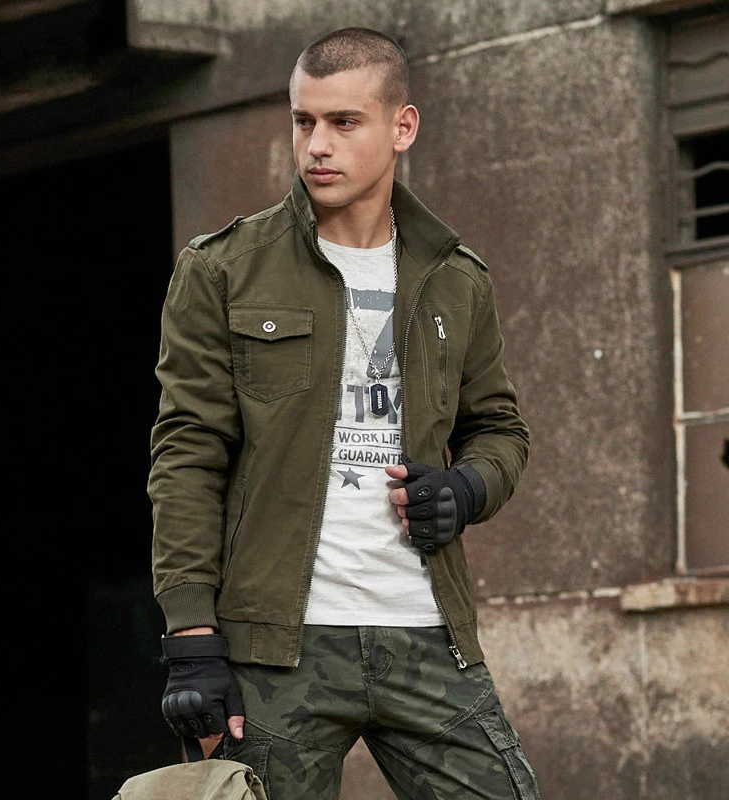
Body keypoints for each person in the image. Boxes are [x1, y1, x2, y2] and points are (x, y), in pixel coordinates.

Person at [148, 26, 539, 800]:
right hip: (276, 648)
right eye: (304, 121)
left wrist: (465, 489)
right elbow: (187, 456)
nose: (317, 145)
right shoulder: (223, 269)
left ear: (402, 127)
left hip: (424, 630)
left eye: (343, 122)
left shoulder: (457, 279)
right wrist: (190, 636)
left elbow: (499, 430)